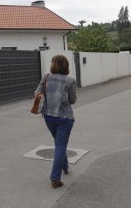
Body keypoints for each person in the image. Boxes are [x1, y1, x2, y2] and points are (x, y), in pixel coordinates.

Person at [35, 55, 77, 189]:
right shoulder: (70, 81)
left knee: (59, 143)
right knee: (60, 145)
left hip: (49, 117)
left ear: (53, 64)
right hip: (65, 118)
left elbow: (37, 93)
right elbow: (72, 100)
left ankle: (65, 166)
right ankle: (55, 178)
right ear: (66, 65)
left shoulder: (46, 77)